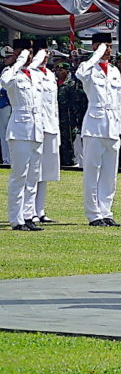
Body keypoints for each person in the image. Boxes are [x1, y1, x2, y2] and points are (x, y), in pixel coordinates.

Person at [76, 32, 121, 226]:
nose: (108, 50)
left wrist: (118, 127)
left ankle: (106, 211)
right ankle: (93, 213)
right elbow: (80, 74)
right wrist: (96, 55)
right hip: (94, 126)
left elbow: (118, 102)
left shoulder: (114, 71)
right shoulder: (88, 68)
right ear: (94, 47)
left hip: (112, 126)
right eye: (104, 46)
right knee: (92, 170)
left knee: (109, 173)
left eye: (109, 46)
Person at [1, 38, 44, 230]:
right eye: (25, 52)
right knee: (19, 175)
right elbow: (4, 82)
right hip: (19, 130)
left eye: (30, 52)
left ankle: (28, 216)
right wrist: (18, 61)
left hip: (36, 130)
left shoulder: (34, 75)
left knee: (33, 176)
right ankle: (16, 218)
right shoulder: (11, 74)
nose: (29, 56)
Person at [27, 38, 61, 224]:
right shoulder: (30, 73)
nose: (46, 55)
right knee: (32, 171)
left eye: (47, 52)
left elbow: (53, 104)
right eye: (42, 51)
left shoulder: (49, 74)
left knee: (45, 172)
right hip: (35, 127)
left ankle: (40, 210)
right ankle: (29, 210)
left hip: (50, 126)